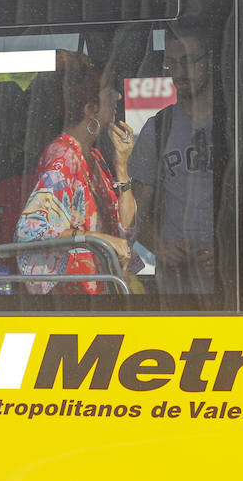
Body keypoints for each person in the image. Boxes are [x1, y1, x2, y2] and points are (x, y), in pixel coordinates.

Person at [15, 52, 137, 295]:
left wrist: (122, 167)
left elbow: (127, 228)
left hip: (100, 293)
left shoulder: (95, 158)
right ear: (90, 109)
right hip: (74, 303)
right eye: (109, 90)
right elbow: (30, 230)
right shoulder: (64, 158)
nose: (118, 95)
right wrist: (95, 239)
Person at [129, 20, 217, 294]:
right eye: (171, 63)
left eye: (188, 61)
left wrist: (230, 248)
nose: (179, 72)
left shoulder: (235, 127)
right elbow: (136, 213)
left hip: (233, 283)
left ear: (210, 60)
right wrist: (160, 248)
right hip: (178, 288)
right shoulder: (157, 128)